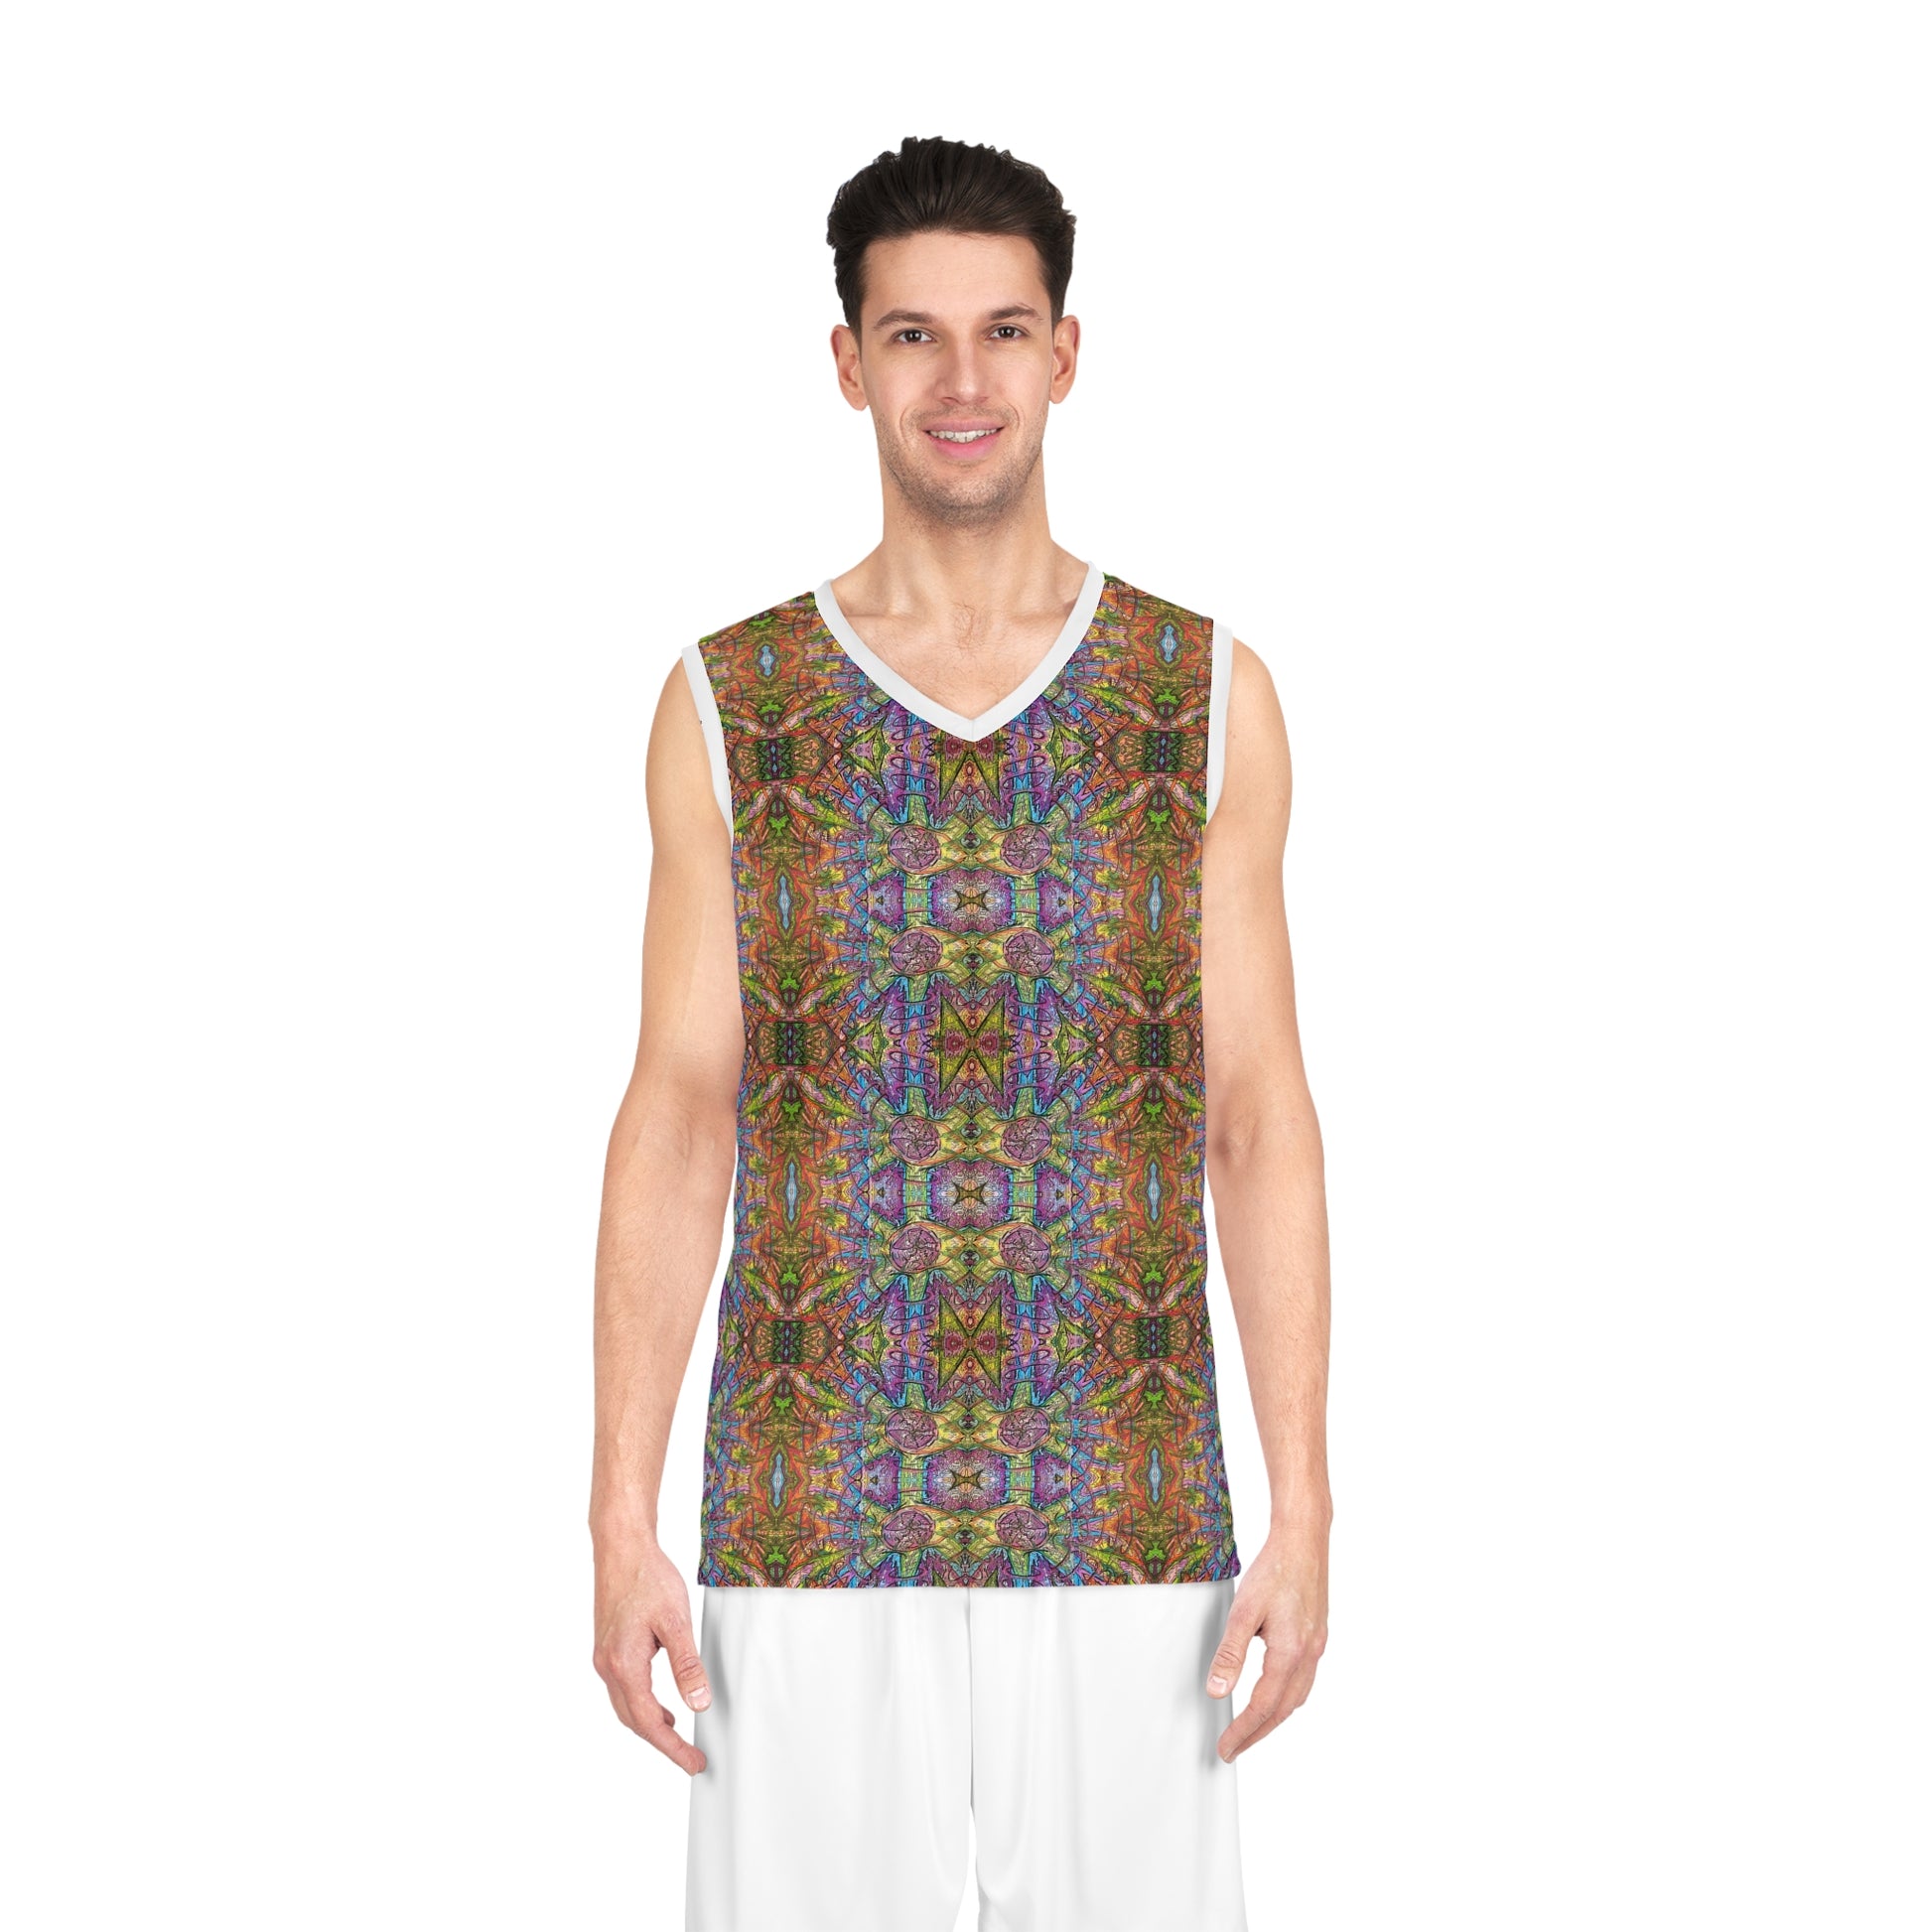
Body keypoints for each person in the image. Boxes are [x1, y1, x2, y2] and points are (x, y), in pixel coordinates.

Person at [589, 134, 1332, 1932]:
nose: (962, 379)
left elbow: (1254, 1113)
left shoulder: (1198, 697)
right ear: (847, 362)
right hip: (806, 1514)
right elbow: (680, 1112)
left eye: (1002, 329)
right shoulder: (734, 702)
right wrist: (619, 1512)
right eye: (912, 335)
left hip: (1131, 1518)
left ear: (1065, 353)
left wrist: (1303, 1503)